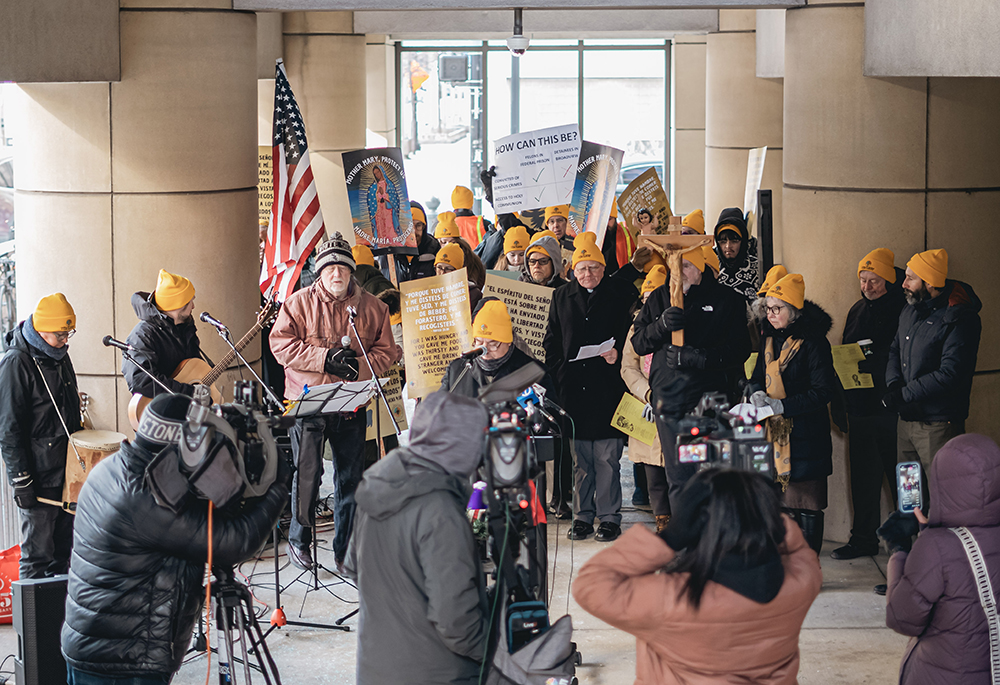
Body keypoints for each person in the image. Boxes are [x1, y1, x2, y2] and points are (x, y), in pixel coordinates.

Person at [61, 393, 290, 685]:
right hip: (121, 662)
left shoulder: (116, 467)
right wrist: (278, 488)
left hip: (99, 646)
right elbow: (233, 542)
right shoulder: (147, 498)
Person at [573, 468, 822, 684]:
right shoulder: (800, 582)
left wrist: (671, 538)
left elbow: (591, 584)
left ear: (697, 526)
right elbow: (797, 546)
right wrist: (756, 505)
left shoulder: (675, 598)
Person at [270, 232, 400, 570]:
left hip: (350, 405)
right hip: (309, 404)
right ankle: (299, 542)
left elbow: (387, 351)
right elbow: (280, 345)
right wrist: (324, 359)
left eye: (343, 267)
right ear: (319, 272)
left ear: (352, 271)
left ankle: (346, 550)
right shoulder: (297, 303)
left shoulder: (373, 307)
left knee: (351, 478)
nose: (337, 274)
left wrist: (358, 367)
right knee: (308, 474)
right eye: (330, 269)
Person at [344, 391, 490, 685]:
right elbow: (456, 624)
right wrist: (501, 649)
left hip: (376, 669)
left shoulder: (377, 482)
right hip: (440, 674)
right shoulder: (441, 511)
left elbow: (353, 567)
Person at [630, 248, 751, 513]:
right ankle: (687, 544)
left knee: (709, 474)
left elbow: (740, 349)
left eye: (686, 266)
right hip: (670, 404)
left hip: (709, 403)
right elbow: (638, 342)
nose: (679, 272)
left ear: (700, 268)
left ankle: (712, 543)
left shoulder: (726, 299)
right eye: (675, 266)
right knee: (679, 477)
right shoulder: (660, 296)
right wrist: (660, 326)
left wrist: (697, 358)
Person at [880, 434, 1000, 684]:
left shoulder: (936, 547)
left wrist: (899, 554)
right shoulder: (940, 543)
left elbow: (901, 618)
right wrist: (929, 531)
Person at [544, 233, 638, 542]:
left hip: (607, 388)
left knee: (607, 459)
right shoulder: (561, 297)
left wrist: (618, 353)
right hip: (574, 390)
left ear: (603, 268)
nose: (588, 274)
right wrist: (560, 375)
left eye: (594, 268)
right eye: (583, 268)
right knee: (581, 460)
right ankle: (583, 516)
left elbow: (633, 335)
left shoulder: (619, 294)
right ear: (573, 270)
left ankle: (609, 516)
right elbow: (552, 342)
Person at [749, 273, 838, 554]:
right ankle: (788, 561)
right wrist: (754, 391)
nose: (771, 315)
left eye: (778, 309)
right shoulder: (769, 339)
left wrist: (783, 406)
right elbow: (756, 376)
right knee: (780, 501)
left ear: (795, 311)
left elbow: (824, 391)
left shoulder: (814, 343)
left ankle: (810, 565)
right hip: (773, 435)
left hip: (806, 434)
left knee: (807, 501)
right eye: (768, 308)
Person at [884, 248, 982, 499]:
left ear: (929, 282)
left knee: (945, 497)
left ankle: (940, 540)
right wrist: (894, 384)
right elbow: (895, 347)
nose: (903, 283)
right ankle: (915, 539)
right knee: (909, 496)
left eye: (910, 278)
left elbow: (950, 373)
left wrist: (903, 395)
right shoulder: (910, 309)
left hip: (938, 425)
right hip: (906, 421)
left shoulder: (960, 318)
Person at [831, 249, 907, 560]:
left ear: (889, 280)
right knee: (862, 480)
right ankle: (862, 539)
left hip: (892, 411)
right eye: (862, 280)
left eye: (874, 280)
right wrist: (840, 403)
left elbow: (906, 357)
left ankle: (905, 546)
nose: (867, 286)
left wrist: (876, 363)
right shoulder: (857, 310)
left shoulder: (904, 309)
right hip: (860, 408)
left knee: (902, 481)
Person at [0, 294, 82, 579]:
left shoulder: (60, 355)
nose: (66, 339)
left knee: (65, 554)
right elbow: (8, 428)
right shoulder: (15, 363)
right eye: (61, 334)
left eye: (69, 333)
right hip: (38, 477)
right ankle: (34, 624)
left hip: (67, 473)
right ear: (42, 329)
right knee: (36, 558)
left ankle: (58, 623)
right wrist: (21, 480)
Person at [621, 266, 670, 530]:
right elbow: (628, 366)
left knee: (676, 466)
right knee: (652, 470)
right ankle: (662, 520)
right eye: (646, 295)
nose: (649, 300)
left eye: (655, 294)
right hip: (645, 403)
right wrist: (646, 392)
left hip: (674, 401)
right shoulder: (636, 327)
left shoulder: (676, 322)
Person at [440, 299, 553, 399]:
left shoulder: (534, 373)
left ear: (508, 342)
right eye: (478, 342)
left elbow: (553, 419)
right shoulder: (456, 370)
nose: (484, 350)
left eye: (493, 343)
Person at [123, 269, 208, 399]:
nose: (194, 306)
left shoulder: (185, 328)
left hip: (186, 410)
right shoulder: (142, 335)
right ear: (179, 305)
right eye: (191, 301)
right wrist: (188, 392)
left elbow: (194, 369)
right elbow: (140, 380)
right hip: (161, 413)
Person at [713, 207, 760, 303]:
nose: (728, 246)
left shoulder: (757, 267)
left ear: (743, 242)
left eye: (734, 241)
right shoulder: (711, 266)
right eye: (722, 241)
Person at [435, 243, 483, 313]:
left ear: (458, 271)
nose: (442, 272)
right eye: (439, 267)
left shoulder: (472, 294)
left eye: (448, 269)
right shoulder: (429, 291)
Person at [451, 185, 493, 250]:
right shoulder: (483, 224)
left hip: (454, 259)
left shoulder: (447, 224)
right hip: (478, 259)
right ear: (471, 203)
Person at [600, 201, 637, 272]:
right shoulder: (596, 236)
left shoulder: (626, 231)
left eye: (610, 219)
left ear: (615, 218)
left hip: (622, 275)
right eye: (604, 220)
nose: (606, 223)